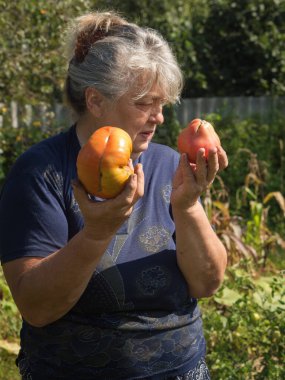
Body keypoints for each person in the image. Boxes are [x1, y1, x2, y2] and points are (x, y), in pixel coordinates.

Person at [0, 10, 228, 380]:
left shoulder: (170, 164)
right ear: (95, 101)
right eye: (143, 103)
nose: (159, 118)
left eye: (162, 104)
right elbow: (37, 307)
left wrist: (187, 207)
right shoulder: (43, 172)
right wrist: (96, 233)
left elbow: (207, 283)